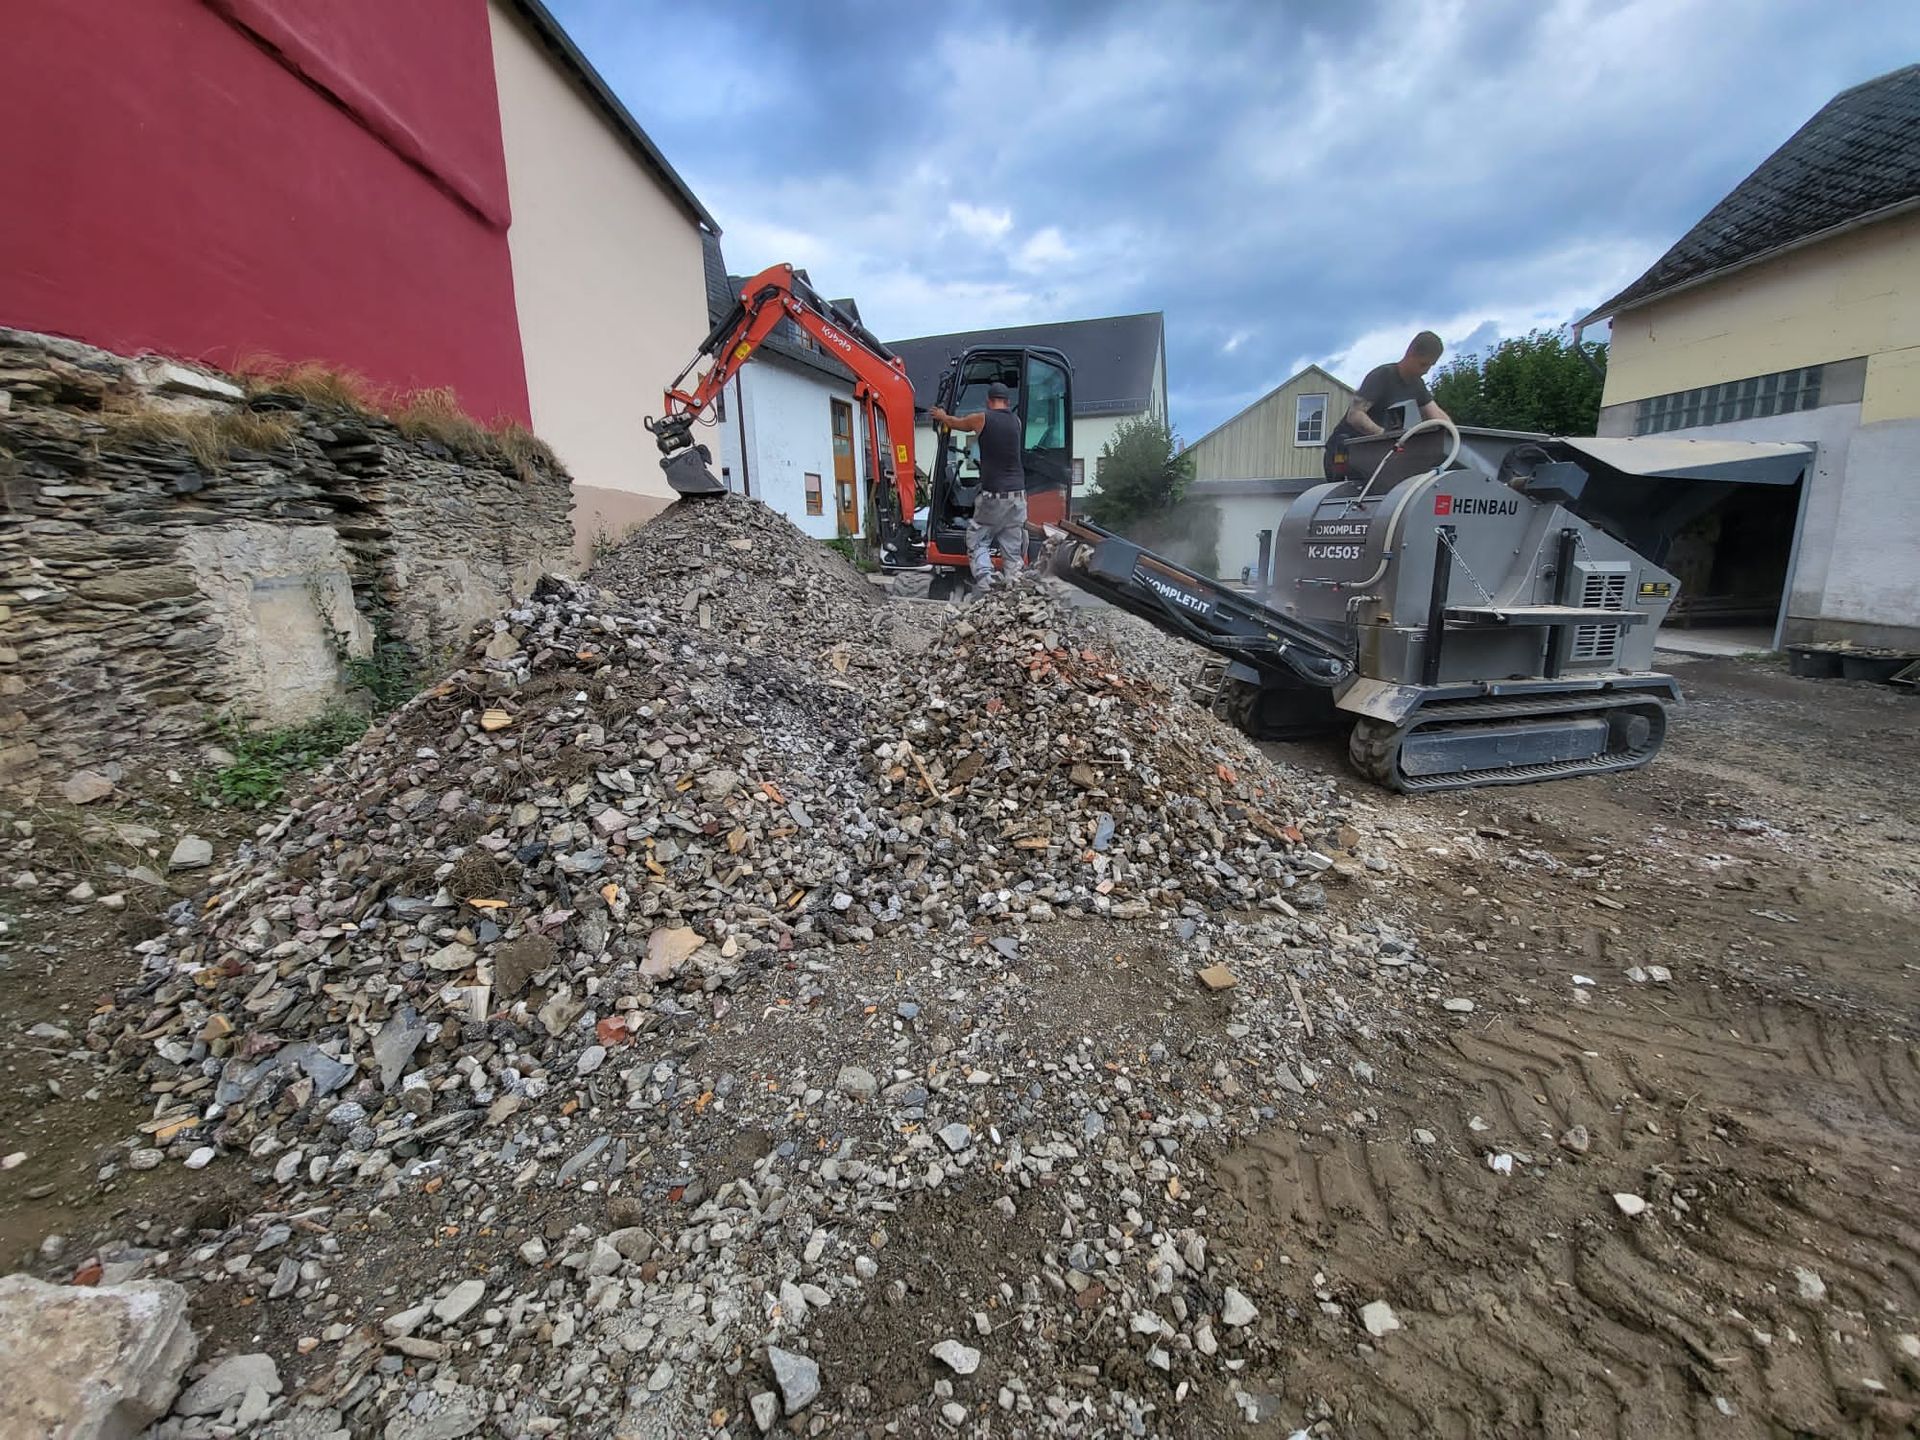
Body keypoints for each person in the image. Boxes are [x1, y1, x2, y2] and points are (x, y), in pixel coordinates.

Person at [930, 380, 1029, 586]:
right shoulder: (1017, 422)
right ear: (1007, 402)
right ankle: (1017, 589)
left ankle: (987, 585)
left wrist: (941, 416)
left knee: (977, 539)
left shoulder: (982, 419)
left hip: (995, 495)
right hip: (1018, 496)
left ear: (988, 401)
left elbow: (956, 423)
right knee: (1011, 551)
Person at [1324, 331, 1453, 480]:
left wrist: (1455, 437)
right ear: (1410, 353)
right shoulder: (1382, 376)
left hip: (1377, 455)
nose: (1425, 371)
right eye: (1423, 364)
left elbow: (1436, 415)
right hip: (1345, 453)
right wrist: (1385, 438)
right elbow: (1355, 415)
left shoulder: (1417, 385)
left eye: (1430, 366)